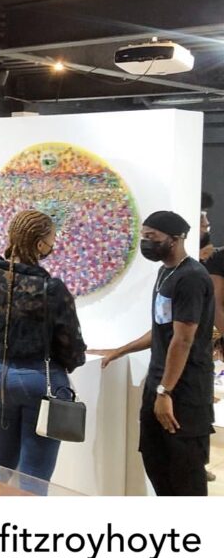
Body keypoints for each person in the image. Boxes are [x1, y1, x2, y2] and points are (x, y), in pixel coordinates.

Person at [0, 210, 87, 483]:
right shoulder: (51, 288)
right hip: (43, 380)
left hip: (0, 375)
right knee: (34, 475)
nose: (53, 245)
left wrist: (1, 340)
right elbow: (73, 350)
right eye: (52, 240)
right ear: (40, 244)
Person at [95, 211, 215, 496]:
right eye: (144, 236)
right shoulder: (166, 273)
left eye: (152, 237)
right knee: (157, 465)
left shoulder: (191, 278)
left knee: (185, 475)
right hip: (159, 386)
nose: (146, 243)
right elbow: (162, 329)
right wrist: (120, 350)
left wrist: (165, 392)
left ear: (175, 239)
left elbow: (183, 339)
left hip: (184, 394)